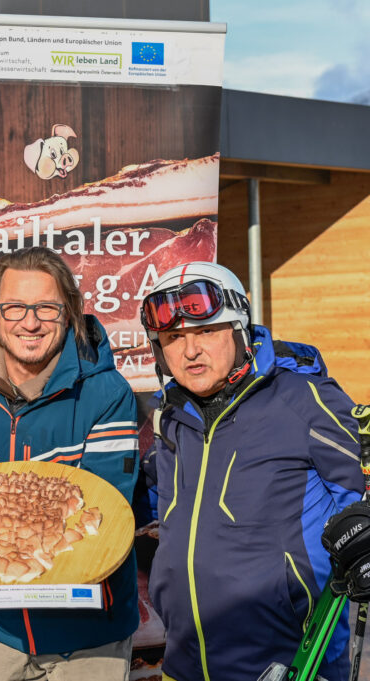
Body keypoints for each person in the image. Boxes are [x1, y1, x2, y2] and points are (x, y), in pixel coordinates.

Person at [0, 246, 140, 681]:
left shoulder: (106, 394)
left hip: (90, 633)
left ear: (69, 314)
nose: (30, 323)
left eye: (46, 308)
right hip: (0, 629)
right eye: (14, 307)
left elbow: (103, 515)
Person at [138, 261, 362, 681]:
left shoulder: (304, 399)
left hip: (291, 664)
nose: (190, 351)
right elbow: (159, 514)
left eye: (207, 331)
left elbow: (362, 497)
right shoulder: (169, 418)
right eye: (173, 338)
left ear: (239, 329)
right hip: (183, 664)